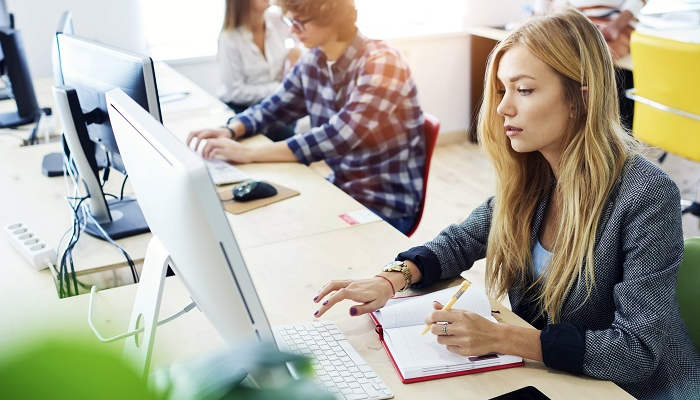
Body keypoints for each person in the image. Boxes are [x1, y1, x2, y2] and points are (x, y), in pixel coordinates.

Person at [312, 9, 700, 400]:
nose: (502, 108)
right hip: (560, 380)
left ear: (581, 99)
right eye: (502, 90)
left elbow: (636, 352)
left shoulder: (646, 195)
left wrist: (504, 338)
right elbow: (460, 241)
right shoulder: (536, 176)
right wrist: (392, 278)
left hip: (636, 391)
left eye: (524, 90)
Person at [188, 0, 427, 234]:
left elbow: (338, 137)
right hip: (341, 188)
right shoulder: (314, 60)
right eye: (290, 21)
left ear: (331, 18)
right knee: (265, 228)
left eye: (300, 22)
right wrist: (231, 130)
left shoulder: (383, 63)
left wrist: (248, 154)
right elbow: (275, 107)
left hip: (384, 204)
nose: (292, 30)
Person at [548, 0, 648, 129]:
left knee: (597, 55)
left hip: (617, 23)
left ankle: (608, 129)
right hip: (579, 23)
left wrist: (616, 26)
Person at [218, 0, 300, 141]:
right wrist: (280, 88)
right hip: (242, 106)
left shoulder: (277, 19)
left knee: (288, 132)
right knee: (287, 138)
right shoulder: (229, 38)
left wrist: (293, 58)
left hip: (277, 102)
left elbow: (307, 37)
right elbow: (235, 92)